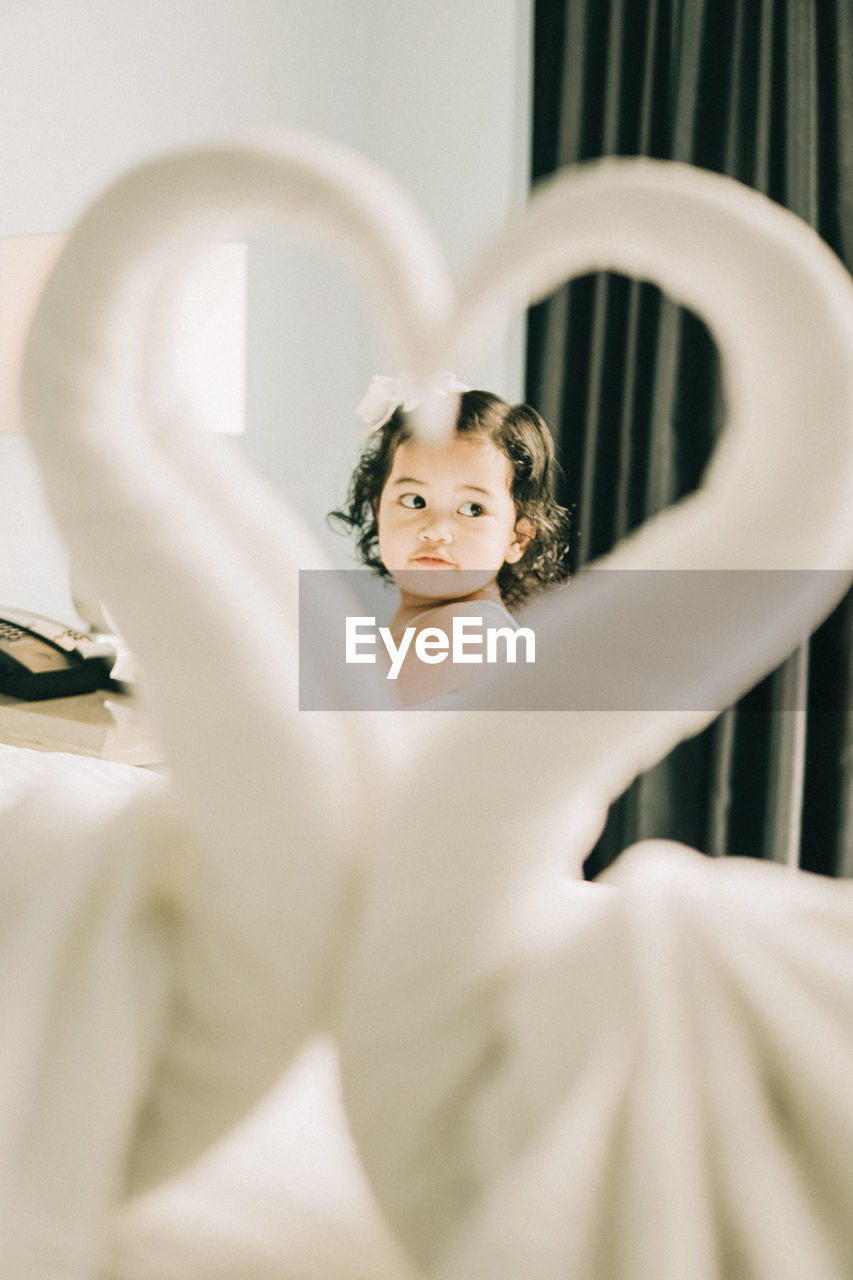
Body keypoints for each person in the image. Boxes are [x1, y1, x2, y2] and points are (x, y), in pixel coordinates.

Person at [330, 373, 571, 705]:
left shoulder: (473, 630)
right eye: (415, 501)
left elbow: (337, 712)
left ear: (518, 539)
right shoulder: (432, 622)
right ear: (379, 511)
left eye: (472, 509)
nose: (435, 530)